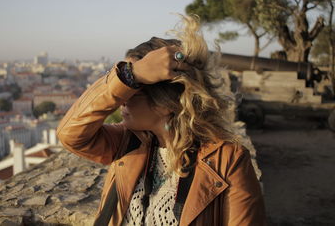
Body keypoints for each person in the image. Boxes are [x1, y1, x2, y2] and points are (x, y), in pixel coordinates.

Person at [56, 14, 267, 226]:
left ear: (165, 103)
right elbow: (70, 135)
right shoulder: (128, 142)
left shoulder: (227, 160)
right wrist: (130, 76)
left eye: (133, 93)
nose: (122, 101)